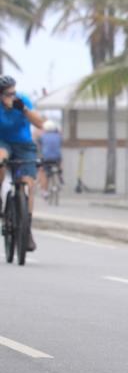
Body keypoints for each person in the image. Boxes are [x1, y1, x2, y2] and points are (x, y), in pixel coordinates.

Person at [0, 75, 45, 251]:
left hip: (24, 144)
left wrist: (24, 109)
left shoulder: (22, 101)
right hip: (2, 142)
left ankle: (26, 230)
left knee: (28, 183)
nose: (11, 96)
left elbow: (40, 124)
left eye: (13, 92)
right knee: (1, 158)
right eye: (7, 94)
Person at [38, 120, 63, 198]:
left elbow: (39, 146)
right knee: (60, 161)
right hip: (57, 158)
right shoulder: (58, 136)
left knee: (43, 172)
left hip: (46, 158)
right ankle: (60, 176)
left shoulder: (43, 136)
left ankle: (44, 191)